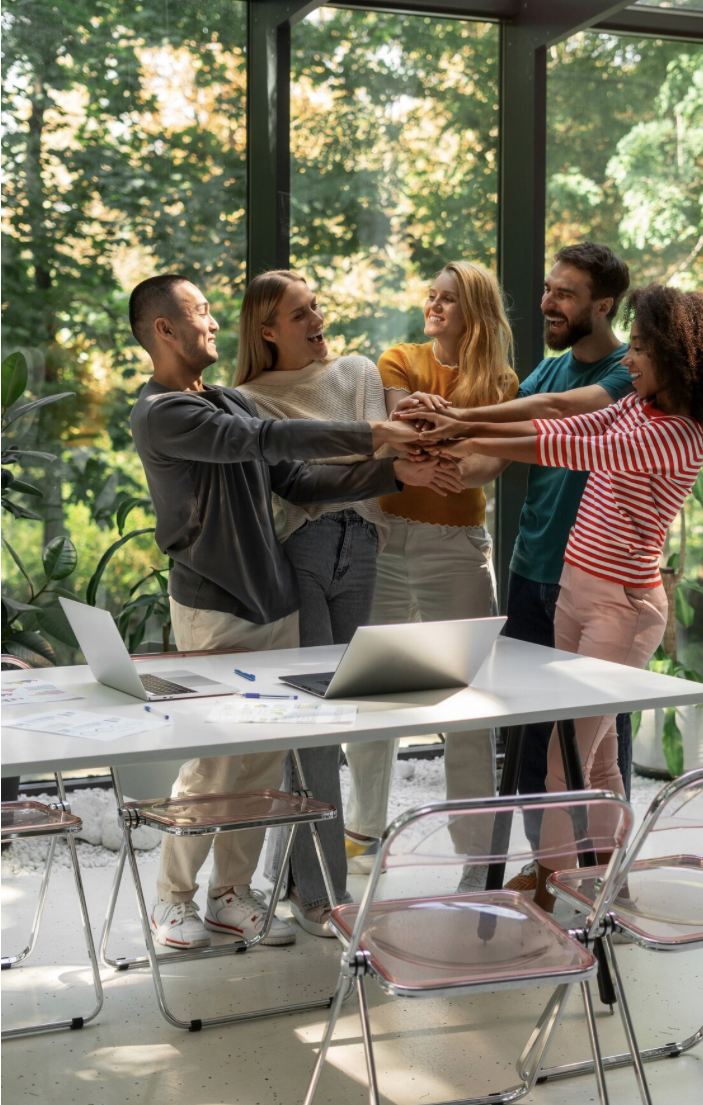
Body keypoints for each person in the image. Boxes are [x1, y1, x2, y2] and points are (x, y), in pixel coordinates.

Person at [415, 283, 703, 906]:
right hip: (577, 591)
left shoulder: (676, 432)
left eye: (644, 350)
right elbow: (566, 419)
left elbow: (569, 447)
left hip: (619, 613)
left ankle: (548, 881)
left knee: (561, 758)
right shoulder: (639, 407)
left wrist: (456, 434)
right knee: (594, 763)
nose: (629, 359)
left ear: (681, 359)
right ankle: (604, 877)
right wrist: (461, 420)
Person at [128, 273, 430, 950]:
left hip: (276, 599)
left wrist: (393, 474)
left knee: (264, 761)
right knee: (216, 762)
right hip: (215, 605)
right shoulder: (161, 413)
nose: (212, 323)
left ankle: (230, 894)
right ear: (163, 331)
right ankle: (171, 897)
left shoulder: (227, 398)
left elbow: (295, 479)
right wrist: (374, 434)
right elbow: (263, 445)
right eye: (200, 312)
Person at [395, 241, 634, 888]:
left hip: (596, 580)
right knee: (531, 739)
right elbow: (511, 431)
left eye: (565, 294)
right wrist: (451, 444)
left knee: (593, 741)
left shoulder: (626, 371)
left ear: (604, 305)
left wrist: (460, 421)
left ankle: (592, 868)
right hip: (533, 571)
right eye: (549, 289)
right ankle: (552, 868)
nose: (548, 302)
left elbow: (552, 416)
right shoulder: (550, 369)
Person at [233, 270, 460, 935]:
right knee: (313, 723)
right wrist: (380, 456)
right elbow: (304, 487)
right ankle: (323, 894)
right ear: (267, 330)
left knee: (339, 716)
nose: (316, 320)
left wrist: (407, 433)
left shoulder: (358, 370)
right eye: (299, 314)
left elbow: (375, 443)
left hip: (361, 544)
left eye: (316, 307)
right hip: (300, 549)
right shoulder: (247, 400)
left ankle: (294, 879)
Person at [342, 262, 518, 888]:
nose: (434, 306)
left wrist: (445, 464)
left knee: (469, 699)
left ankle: (478, 856)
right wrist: (449, 454)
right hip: (387, 543)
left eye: (448, 299)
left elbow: (489, 463)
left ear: (475, 310)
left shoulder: (501, 381)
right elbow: (398, 438)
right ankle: (361, 837)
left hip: (457, 544)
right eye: (431, 296)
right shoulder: (400, 359)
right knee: (373, 693)